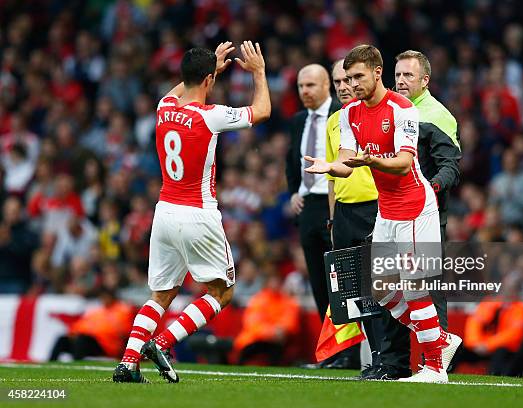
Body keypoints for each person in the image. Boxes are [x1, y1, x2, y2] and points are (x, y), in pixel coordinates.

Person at [113, 41, 270, 383]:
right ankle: (162, 343)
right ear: (210, 80)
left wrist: (207, 70)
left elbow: (181, 90)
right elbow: (262, 111)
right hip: (198, 213)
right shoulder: (210, 116)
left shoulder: (163, 106)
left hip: (164, 212)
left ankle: (127, 362)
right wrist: (258, 72)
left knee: (161, 294)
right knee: (221, 292)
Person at [305, 44, 459, 383]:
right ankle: (440, 338)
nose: (353, 84)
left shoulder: (402, 108)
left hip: (416, 207)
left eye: (359, 76)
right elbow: (346, 163)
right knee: (381, 293)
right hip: (386, 211)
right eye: (348, 78)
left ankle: (435, 368)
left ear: (377, 73)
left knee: (414, 287)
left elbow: (405, 164)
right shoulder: (349, 114)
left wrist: (373, 161)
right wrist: (328, 165)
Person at [365, 50, 463, 380]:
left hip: (425, 213)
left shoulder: (437, 116)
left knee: (425, 289)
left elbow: (451, 164)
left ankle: (435, 366)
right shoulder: (389, 108)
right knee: (388, 286)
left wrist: (431, 188)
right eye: (398, 75)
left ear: (425, 81)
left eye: (409, 75)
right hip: (392, 211)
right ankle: (407, 360)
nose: (401, 81)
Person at [325, 58, 379, 370]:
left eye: (349, 80)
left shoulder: (378, 113)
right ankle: (374, 358)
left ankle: (388, 357)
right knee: (355, 293)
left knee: (379, 289)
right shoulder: (335, 121)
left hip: (375, 208)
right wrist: (333, 220)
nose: (344, 87)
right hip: (345, 213)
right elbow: (332, 179)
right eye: (338, 83)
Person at [285, 64, 342, 322]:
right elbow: (291, 162)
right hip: (307, 207)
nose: (304, 91)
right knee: (318, 282)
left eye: (310, 85)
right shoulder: (298, 121)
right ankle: (330, 351)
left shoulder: (341, 113)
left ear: (326, 85)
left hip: (333, 204)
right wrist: (294, 192)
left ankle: (348, 352)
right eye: (300, 86)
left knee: (339, 281)